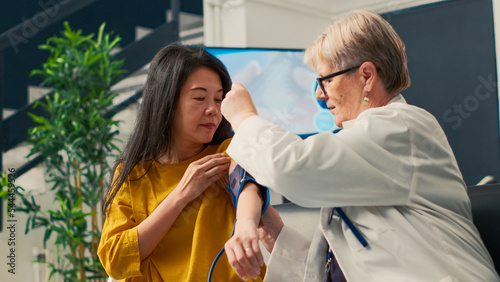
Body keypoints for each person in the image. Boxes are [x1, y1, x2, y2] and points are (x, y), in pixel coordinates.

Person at [221, 9, 500, 282]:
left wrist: (244, 118)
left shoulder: (403, 127)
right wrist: (274, 233)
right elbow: (347, 262)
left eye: (325, 80)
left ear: (366, 76)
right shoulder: (365, 147)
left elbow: (293, 168)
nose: (319, 94)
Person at [97, 43, 266, 281]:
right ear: (166, 102)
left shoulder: (227, 152)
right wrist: (181, 194)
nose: (213, 110)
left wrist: (247, 224)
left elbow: (249, 185)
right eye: (199, 98)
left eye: (219, 100)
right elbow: (115, 261)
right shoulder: (134, 174)